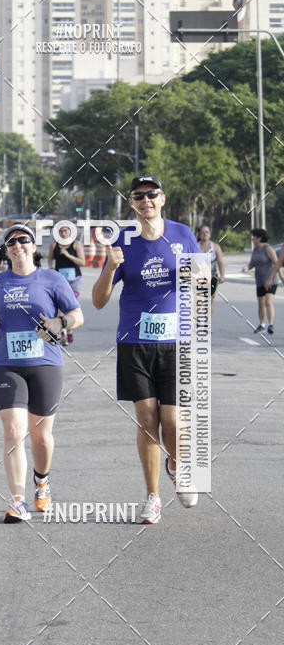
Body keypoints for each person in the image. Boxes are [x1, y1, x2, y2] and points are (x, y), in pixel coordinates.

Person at [91, 175, 200, 525]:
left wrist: (197, 280)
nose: (145, 200)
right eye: (138, 196)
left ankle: (176, 465)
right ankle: (153, 497)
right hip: (134, 342)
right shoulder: (122, 241)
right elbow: (98, 301)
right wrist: (110, 266)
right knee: (147, 418)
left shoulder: (183, 234)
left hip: (175, 342)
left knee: (172, 419)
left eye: (151, 194)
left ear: (162, 198)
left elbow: (201, 282)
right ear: (131, 203)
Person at [0, 224, 83, 523]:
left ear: (34, 245)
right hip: (6, 363)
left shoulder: (52, 279)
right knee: (14, 430)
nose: (17, 245)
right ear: (6, 249)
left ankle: (42, 481)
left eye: (23, 240)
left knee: (41, 436)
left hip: (45, 364)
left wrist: (59, 324)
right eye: (10, 242)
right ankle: (17, 501)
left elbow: (78, 315)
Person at [48, 223, 86, 344]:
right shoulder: (54, 245)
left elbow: (82, 262)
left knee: (70, 305)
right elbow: (50, 260)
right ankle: (64, 331)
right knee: (59, 305)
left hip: (74, 279)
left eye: (65, 231)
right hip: (59, 280)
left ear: (70, 232)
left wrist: (68, 255)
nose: (63, 233)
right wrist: (51, 271)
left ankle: (69, 330)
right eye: (60, 231)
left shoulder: (76, 244)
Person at [246, 228, 279, 334]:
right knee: (261, 304)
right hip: (260, 281)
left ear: (259, 238)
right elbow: (251, 264)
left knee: (268, 302)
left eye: (254, 237)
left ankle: (271, 325)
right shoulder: (255, 250)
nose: (252, 239)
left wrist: (277, 278)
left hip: (271, 280)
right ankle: (262, 325)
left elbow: (276, 264)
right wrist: (245, 268)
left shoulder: (268, 249)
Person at [196, 224, 224, 317]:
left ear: (210, 234)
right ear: (199, 234)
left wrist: (222, 276)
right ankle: (199, 322)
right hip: (198, 277)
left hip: (212, 277)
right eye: (202, 232)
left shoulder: (215, 247)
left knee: (209, 300)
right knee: (198, 300)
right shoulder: (195, 246)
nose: (205, 234)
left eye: (207, 232)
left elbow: (220, 262)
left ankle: (207, 324)